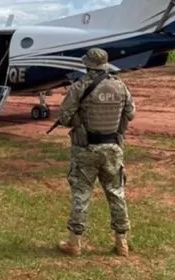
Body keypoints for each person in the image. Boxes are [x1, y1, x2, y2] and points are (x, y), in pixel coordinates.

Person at [55, 47, 136, 257]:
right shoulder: (120, 86)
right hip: (113, 148)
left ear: (87, 64)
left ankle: (75, 243)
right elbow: (130, 113)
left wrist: (78, 122)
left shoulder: (79, 87)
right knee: (116, 193)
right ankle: (122, 243)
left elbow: (64, 116)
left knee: (81, 194)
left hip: (86, 149)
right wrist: (118, 130)